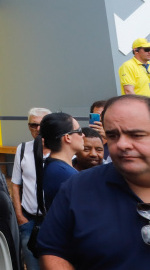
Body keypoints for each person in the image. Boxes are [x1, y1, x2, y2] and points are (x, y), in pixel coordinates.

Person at [38, 94, 150, 269]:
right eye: (112, 136)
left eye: (136, 135)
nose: (122, 145)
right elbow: (52, 250)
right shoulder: (76, 188)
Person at [11, 107, 52, 270]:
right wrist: (20, 216)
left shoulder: (62, 149)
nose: (38, 129)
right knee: (33, 266)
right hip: (29, 220)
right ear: (29, 126)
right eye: (33, 125)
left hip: (55, 220)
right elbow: (15, 183)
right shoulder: (22, 149)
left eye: (42, 125)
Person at [37, 112, 83, 211]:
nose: (83, 135)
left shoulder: (56, 167)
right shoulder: (62, 173)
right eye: (79, 131)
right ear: (67, 137)